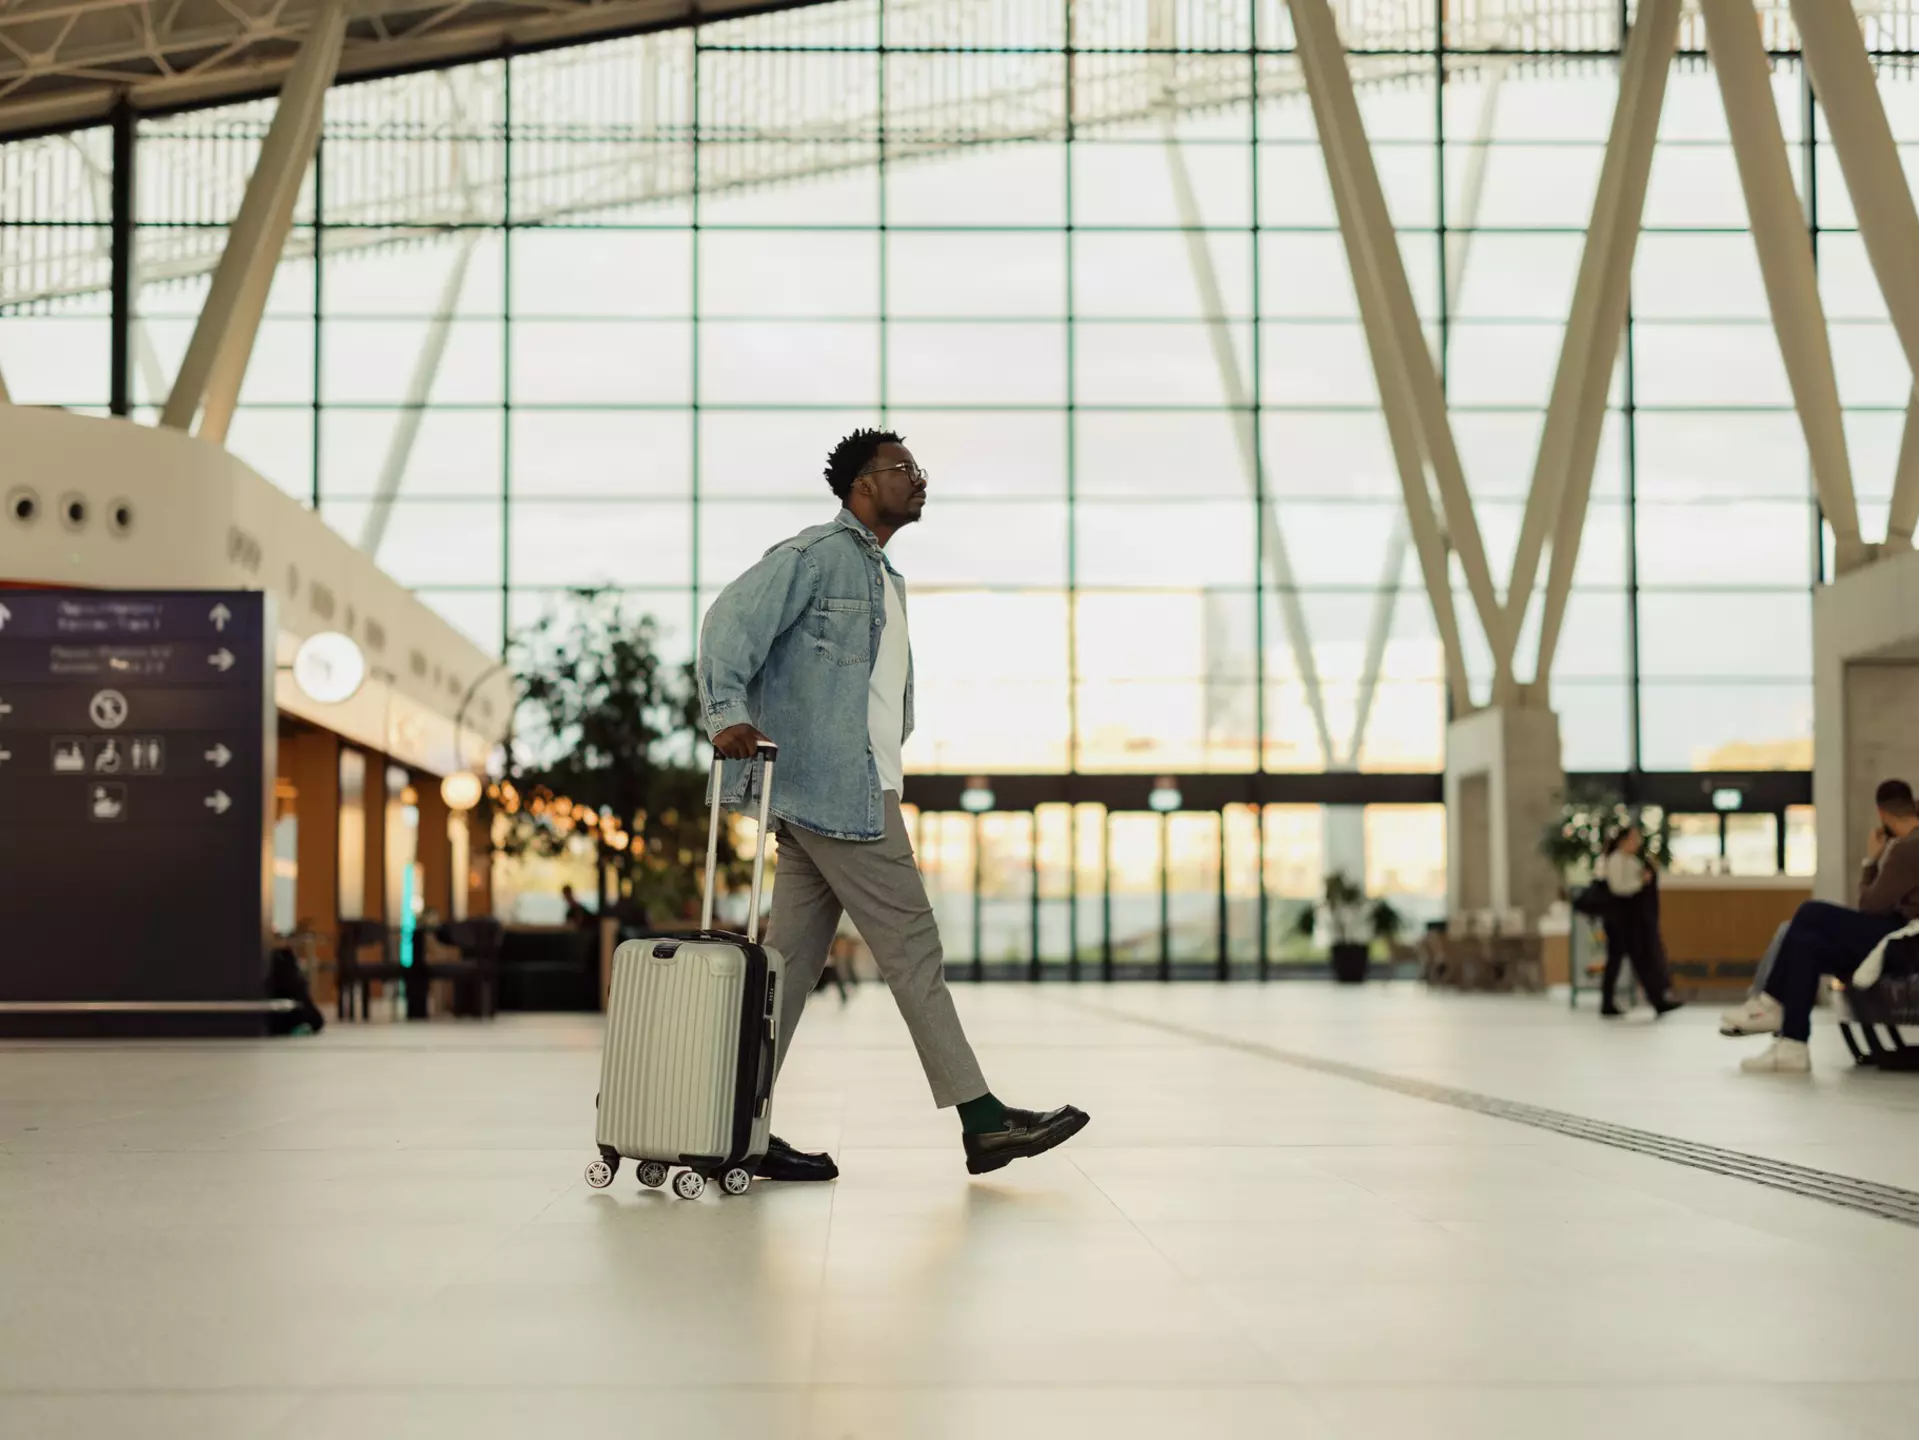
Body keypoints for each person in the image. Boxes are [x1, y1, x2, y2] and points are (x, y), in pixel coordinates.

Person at [698, 427, 1089, 1182]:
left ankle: (728, 1130)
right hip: (843, 792)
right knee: (913, 952)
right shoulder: (816, 557)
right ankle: (983, 1120)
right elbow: (726, 625)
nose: (918, 480)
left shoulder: (881, 575)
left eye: (919, 469)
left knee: (785, 970)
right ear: (860, 485)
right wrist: (725, 716)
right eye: (903, 469)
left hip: (827, 791)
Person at [1721, 779, 1919, 1072]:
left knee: (1810, 912)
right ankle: (1792, 1045)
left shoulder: (1906, 848)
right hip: (1902, 935)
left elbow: (1869, 905)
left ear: (1882, 814)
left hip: (1905, 940)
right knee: (1805, 945)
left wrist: (1871, 860)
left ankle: (1770, 1003)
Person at [1597, 824, 1682, 1018]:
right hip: (1620, 920)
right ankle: (1610, 1001)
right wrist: (1640, 882)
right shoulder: (1616, 860)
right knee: (1618, 961)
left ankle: (1656, 999)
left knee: (1637, 959)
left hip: (1630, 920)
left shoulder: (1631, 860)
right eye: (1634, 839)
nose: (1637, 843)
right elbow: (1618, 887)